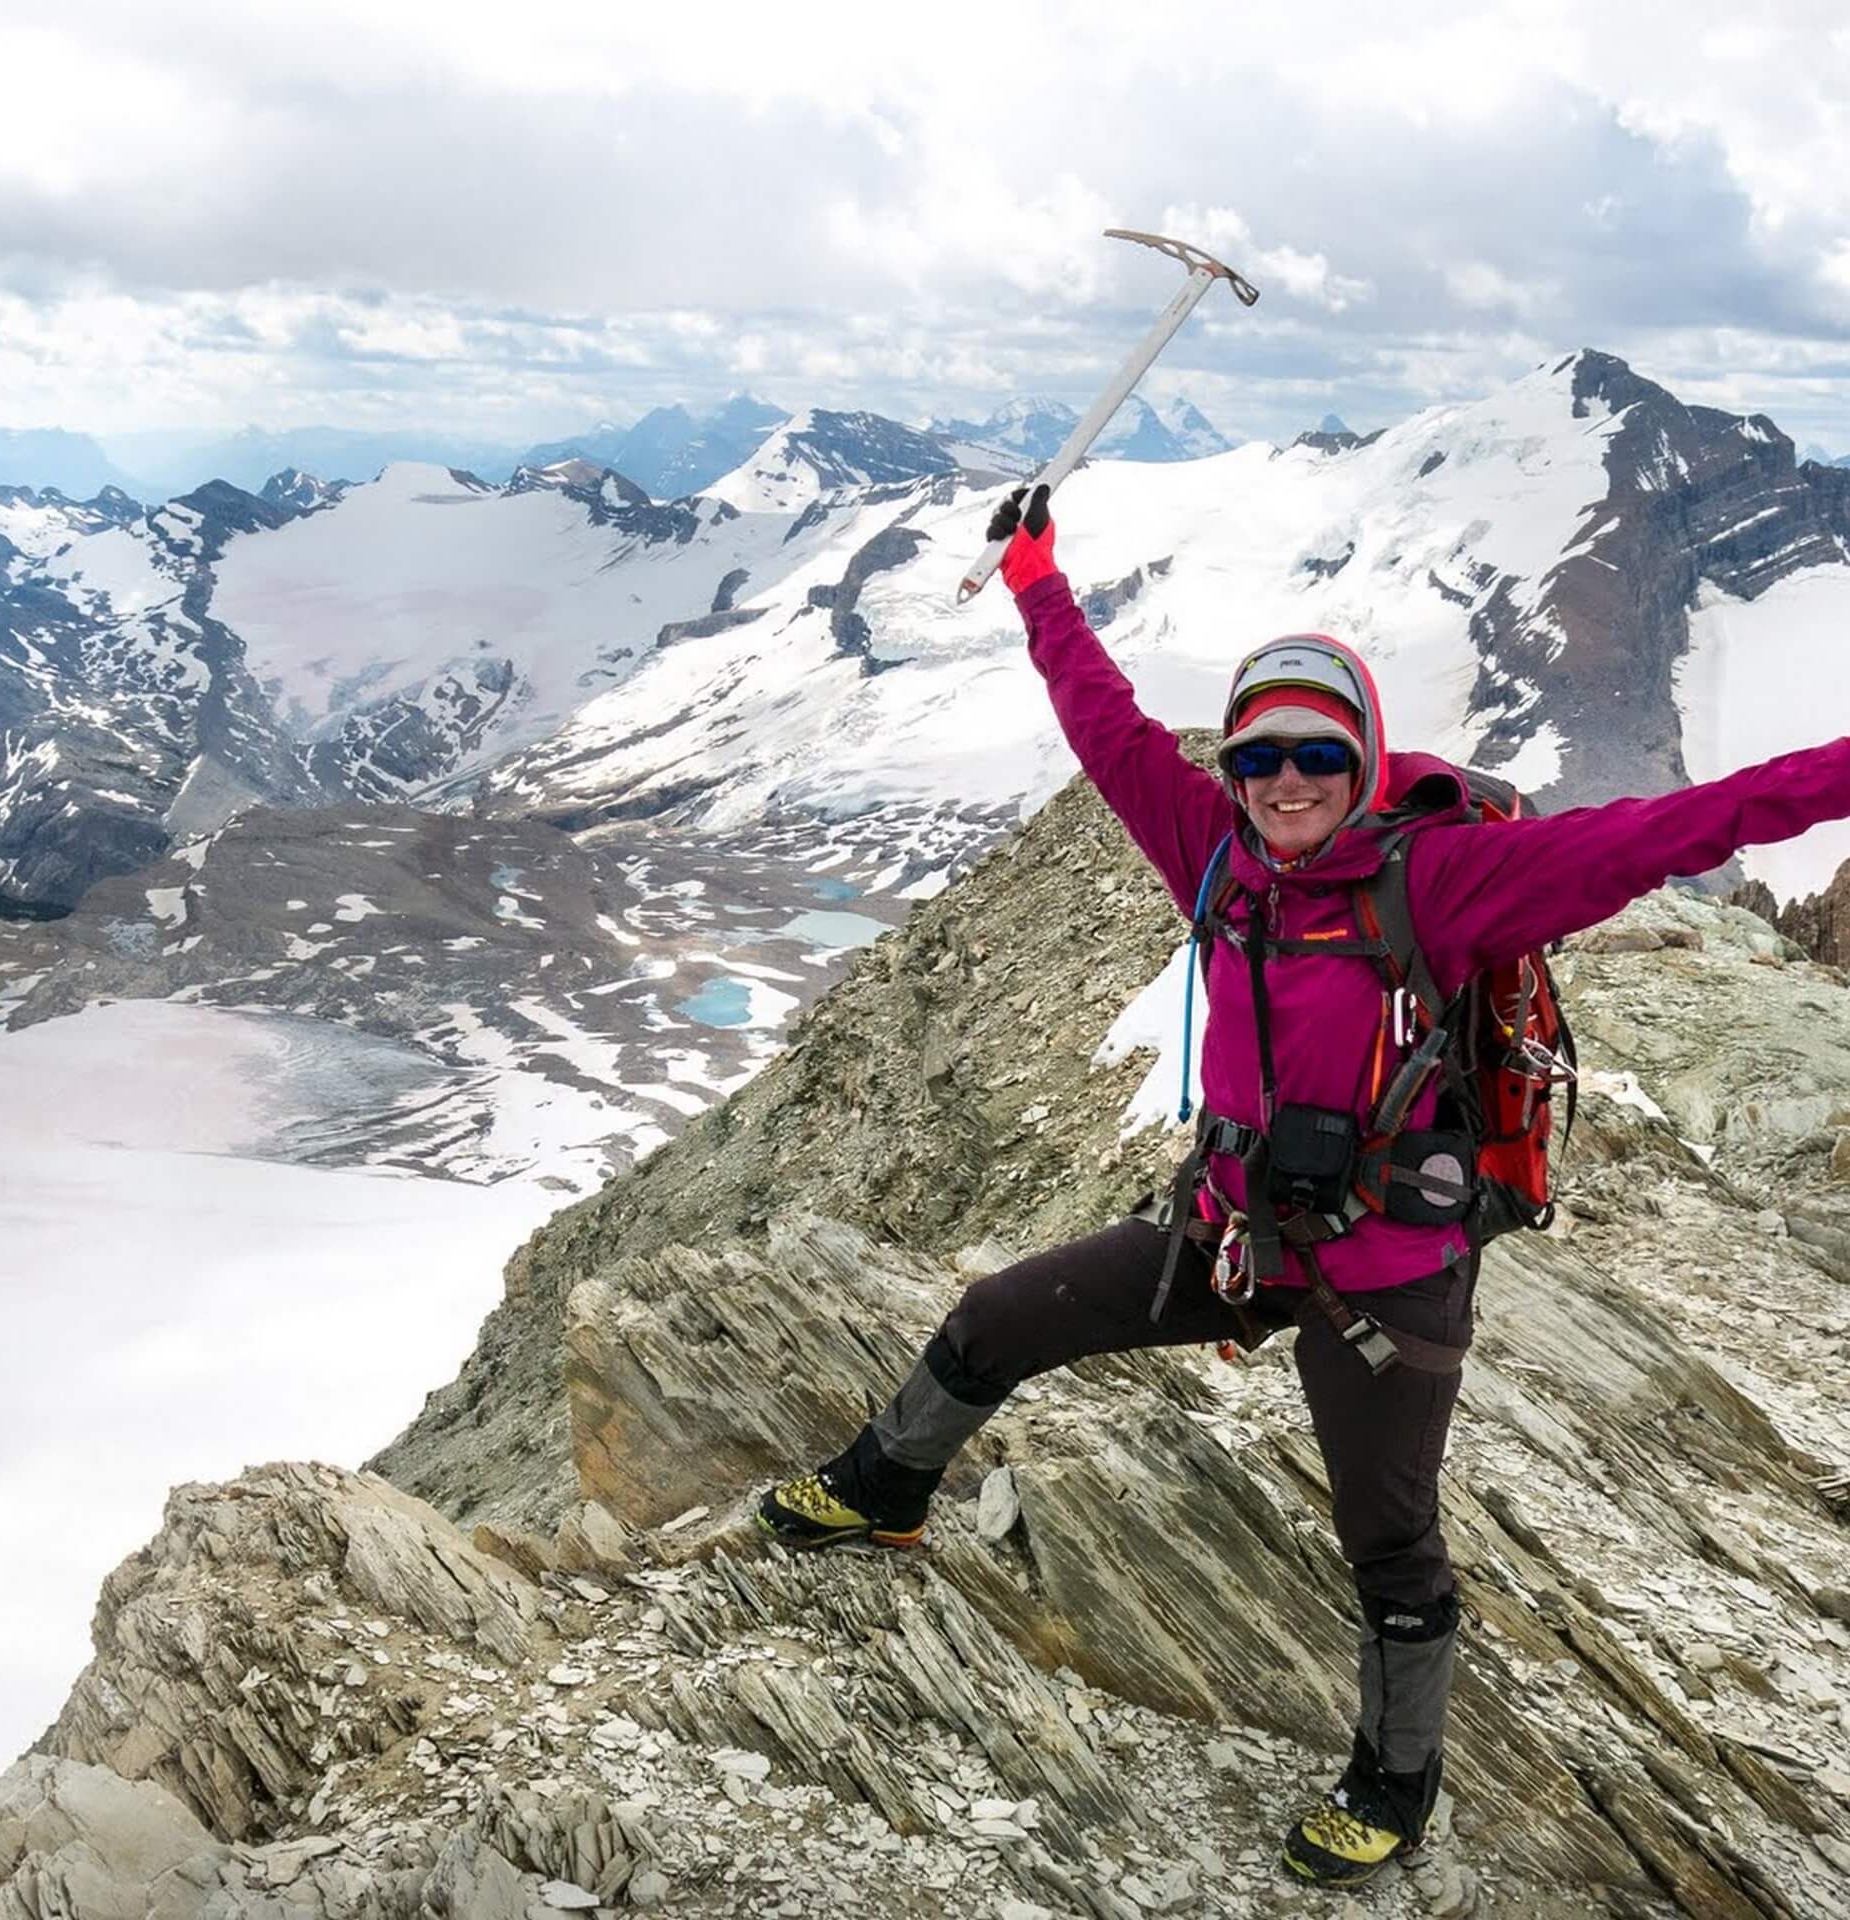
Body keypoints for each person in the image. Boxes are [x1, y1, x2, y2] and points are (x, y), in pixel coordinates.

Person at [757, 482, 1850, 1889]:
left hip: (1385, 1275)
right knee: (995, 1317)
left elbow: (1693, 823)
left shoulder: (1449, 884)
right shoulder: (1212, 850)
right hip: (1228, 1235)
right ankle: (882, 1485)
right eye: (1260, 754)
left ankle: (1398, 1781)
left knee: (1389, 1539)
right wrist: (1037, 581)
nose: (1285, 781)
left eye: (1318, 755)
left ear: (1365, 758)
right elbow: (1107, 728)